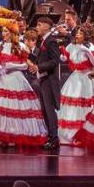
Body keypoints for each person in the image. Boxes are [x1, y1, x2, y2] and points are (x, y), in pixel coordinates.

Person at [55, 26, 94, 145]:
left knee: (86, 105)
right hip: (75, 78)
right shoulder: (71, 46)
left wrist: (88, 52)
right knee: (72, 107)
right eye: (77, 33)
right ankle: (70, 135)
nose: (77, 35)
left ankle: (86, 135)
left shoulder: (90, 46)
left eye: (80, 33)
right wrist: (62, 55)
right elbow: (64, 58)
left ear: (86, 36)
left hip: (88, 77)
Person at [28, 17, 63, 149]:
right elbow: (40, 59)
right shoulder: (43, 41)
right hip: (44, 79)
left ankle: (54, 138)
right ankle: (50, 136)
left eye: (39, 24)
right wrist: (27, 55)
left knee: (49, 110)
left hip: (49, 80)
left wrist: (39, 67)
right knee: (45, 110)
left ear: (47, 26)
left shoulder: (51, 41)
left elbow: (55, 61)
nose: (37, 27)